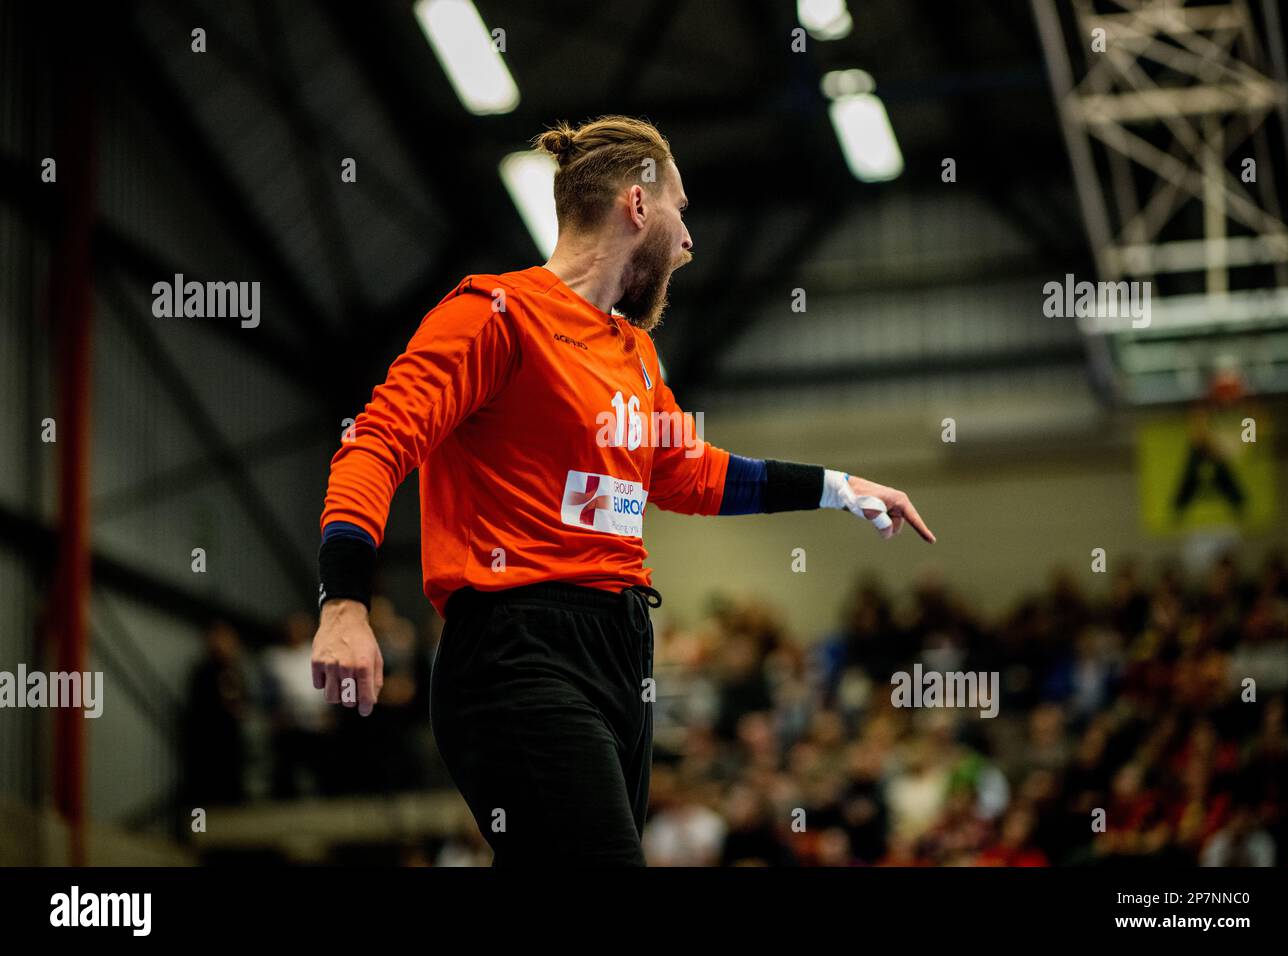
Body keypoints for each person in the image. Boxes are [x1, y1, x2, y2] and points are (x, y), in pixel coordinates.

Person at [310, 115, 935, 866]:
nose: (690, 240)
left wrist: (838, 487)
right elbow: (376, 441)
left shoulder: (634, 354)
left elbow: (690, 472)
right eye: (681, 209)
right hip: (518, 647)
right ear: (637, 205)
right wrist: (344, 601)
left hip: (621, 653)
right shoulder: (494, 315)